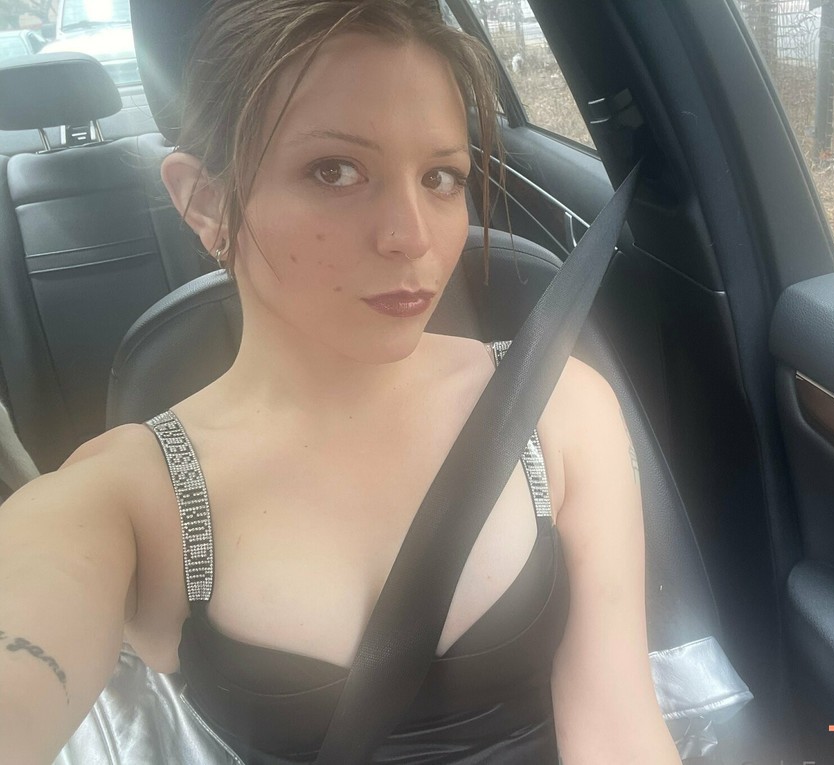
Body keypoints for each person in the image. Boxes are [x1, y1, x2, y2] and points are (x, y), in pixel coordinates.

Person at [0, 1, 681, 762]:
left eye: (441, 177)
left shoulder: (558, 406)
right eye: (335, 171)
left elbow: (618, 725)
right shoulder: (127, 497)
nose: (412, 237)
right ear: (205, 201)